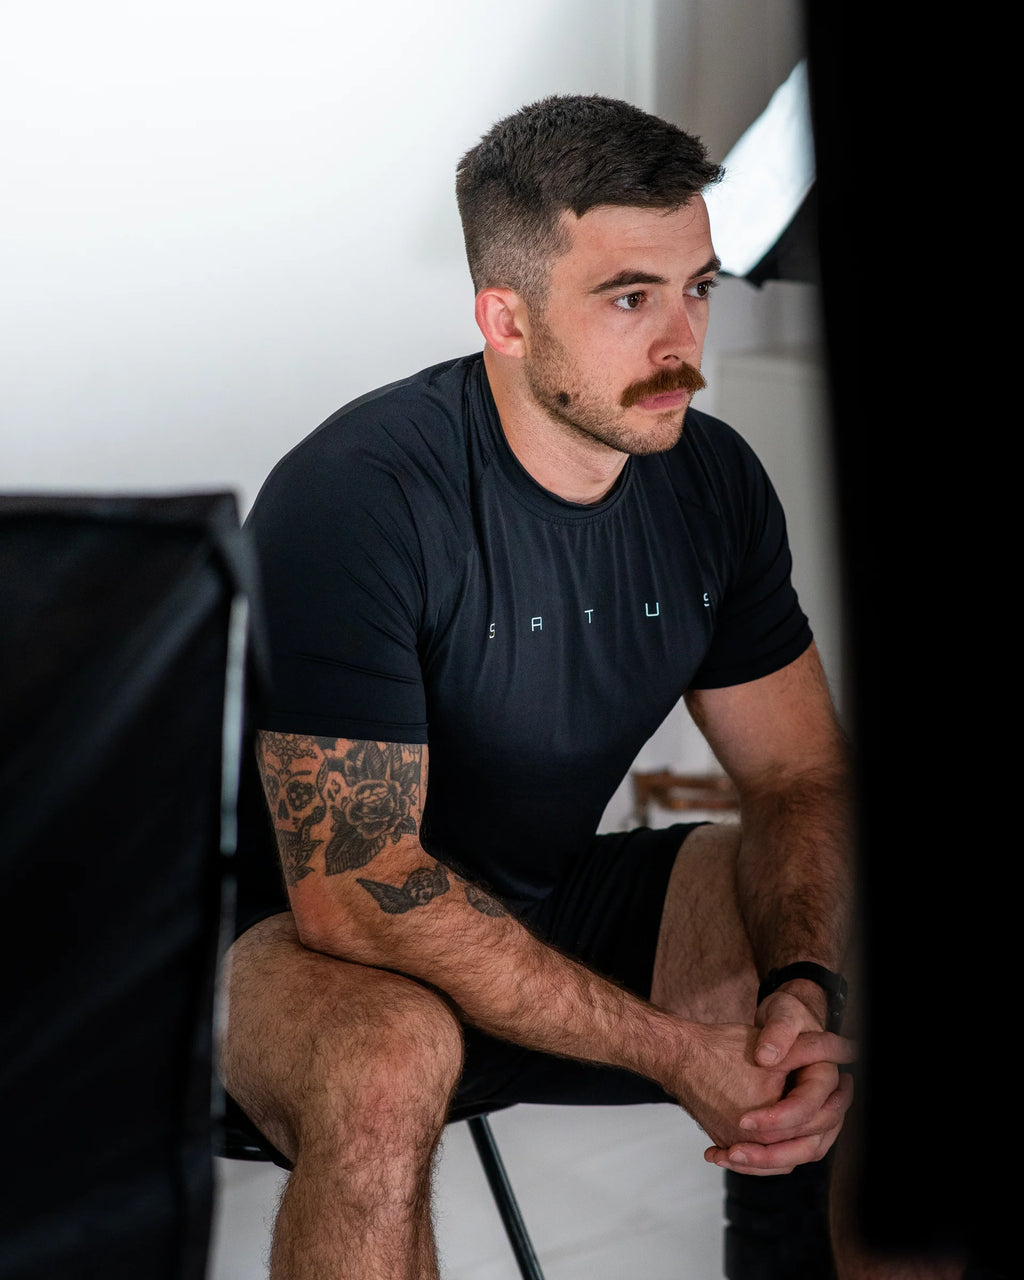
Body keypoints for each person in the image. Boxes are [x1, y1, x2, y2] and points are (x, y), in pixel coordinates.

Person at [221, 94, 859, 1280]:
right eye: (630, 298)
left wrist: (800, 988)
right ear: (504, 320)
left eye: (698, 288)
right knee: (385, 1059)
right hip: (297, 951)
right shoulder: (358, 497)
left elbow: (798, 771)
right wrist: (674, 1049)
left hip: (540, 905)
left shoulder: (709, 480)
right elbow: (356, 890)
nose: (682, 342)